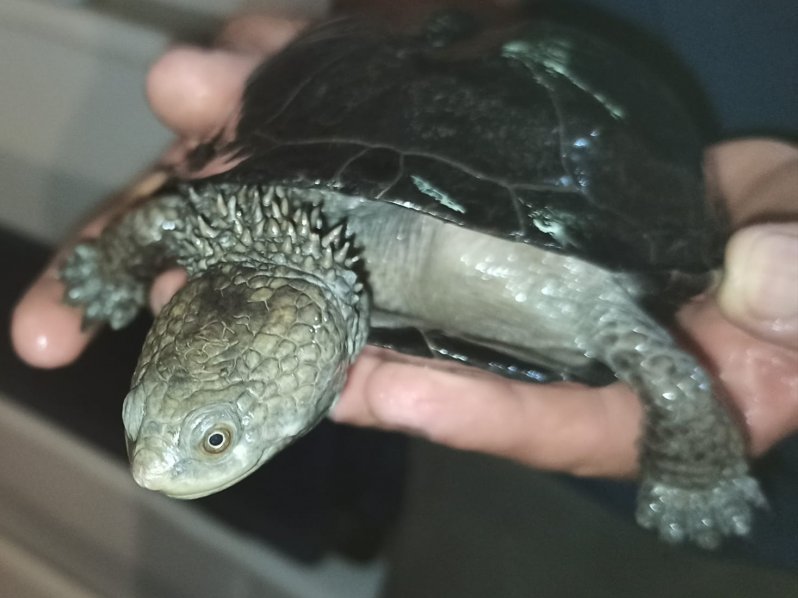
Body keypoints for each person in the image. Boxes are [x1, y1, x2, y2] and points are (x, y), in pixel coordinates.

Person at [10, 8, 797, 490]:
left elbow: (663, 363)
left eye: (218, 437)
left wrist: (698, 460)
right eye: (196, 436)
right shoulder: (219, 225)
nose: (156, 467)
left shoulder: (509, 272)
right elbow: (159, 226)